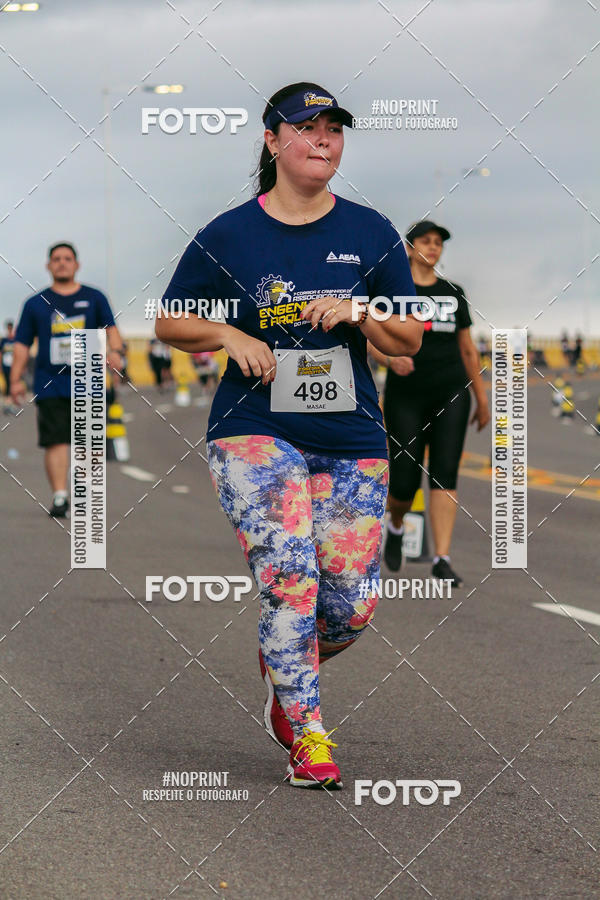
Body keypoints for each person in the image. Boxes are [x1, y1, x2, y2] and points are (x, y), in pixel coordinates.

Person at [156, 81, 422, 790]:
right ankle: (307, 733)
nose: (323, 140)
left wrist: (360, 312)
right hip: (254, 429)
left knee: (350, 606)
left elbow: (409, 338)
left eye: (333, 129)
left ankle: (285, 664)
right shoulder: (229, 235)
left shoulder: (370, 232)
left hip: (351, 436)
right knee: (291, 578)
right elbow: (172, 321)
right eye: (306, 128)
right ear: (273, 142)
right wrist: (228, 334)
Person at [370, 220, 490, 587]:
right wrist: (390, 359)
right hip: (406, 395)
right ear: (410, 248)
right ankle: (395, 525)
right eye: (426, 241)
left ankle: (442, 559)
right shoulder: (393, 291)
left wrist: (482, 398)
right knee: (404, 482)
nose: (434, 247)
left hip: (451, 392)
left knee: (444, 475)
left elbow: (467, 349)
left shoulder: (453, 293)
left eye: (439, 242)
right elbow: (370, 337)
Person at [10, 242, 125, 517]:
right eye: (57, 259)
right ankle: (60, 496)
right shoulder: (35, 304)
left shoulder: (95, 298)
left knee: (87, 442)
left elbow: (111, 330)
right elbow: (22, 345)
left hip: (89, 380)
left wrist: (116, 352)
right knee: (56, 440)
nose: (62, 263)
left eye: (67, 258)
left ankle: (84, 495)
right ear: (48, 265)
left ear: (77, 264)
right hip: (50, 382)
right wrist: (14, 380)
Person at [1, 320, 16, 412]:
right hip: (5, 365)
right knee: (7, 384)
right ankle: (7, 403)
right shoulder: (4, 340)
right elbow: (1, 353)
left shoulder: (15, 340)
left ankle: (12, 403)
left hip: (14, 366)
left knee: (13, 383)